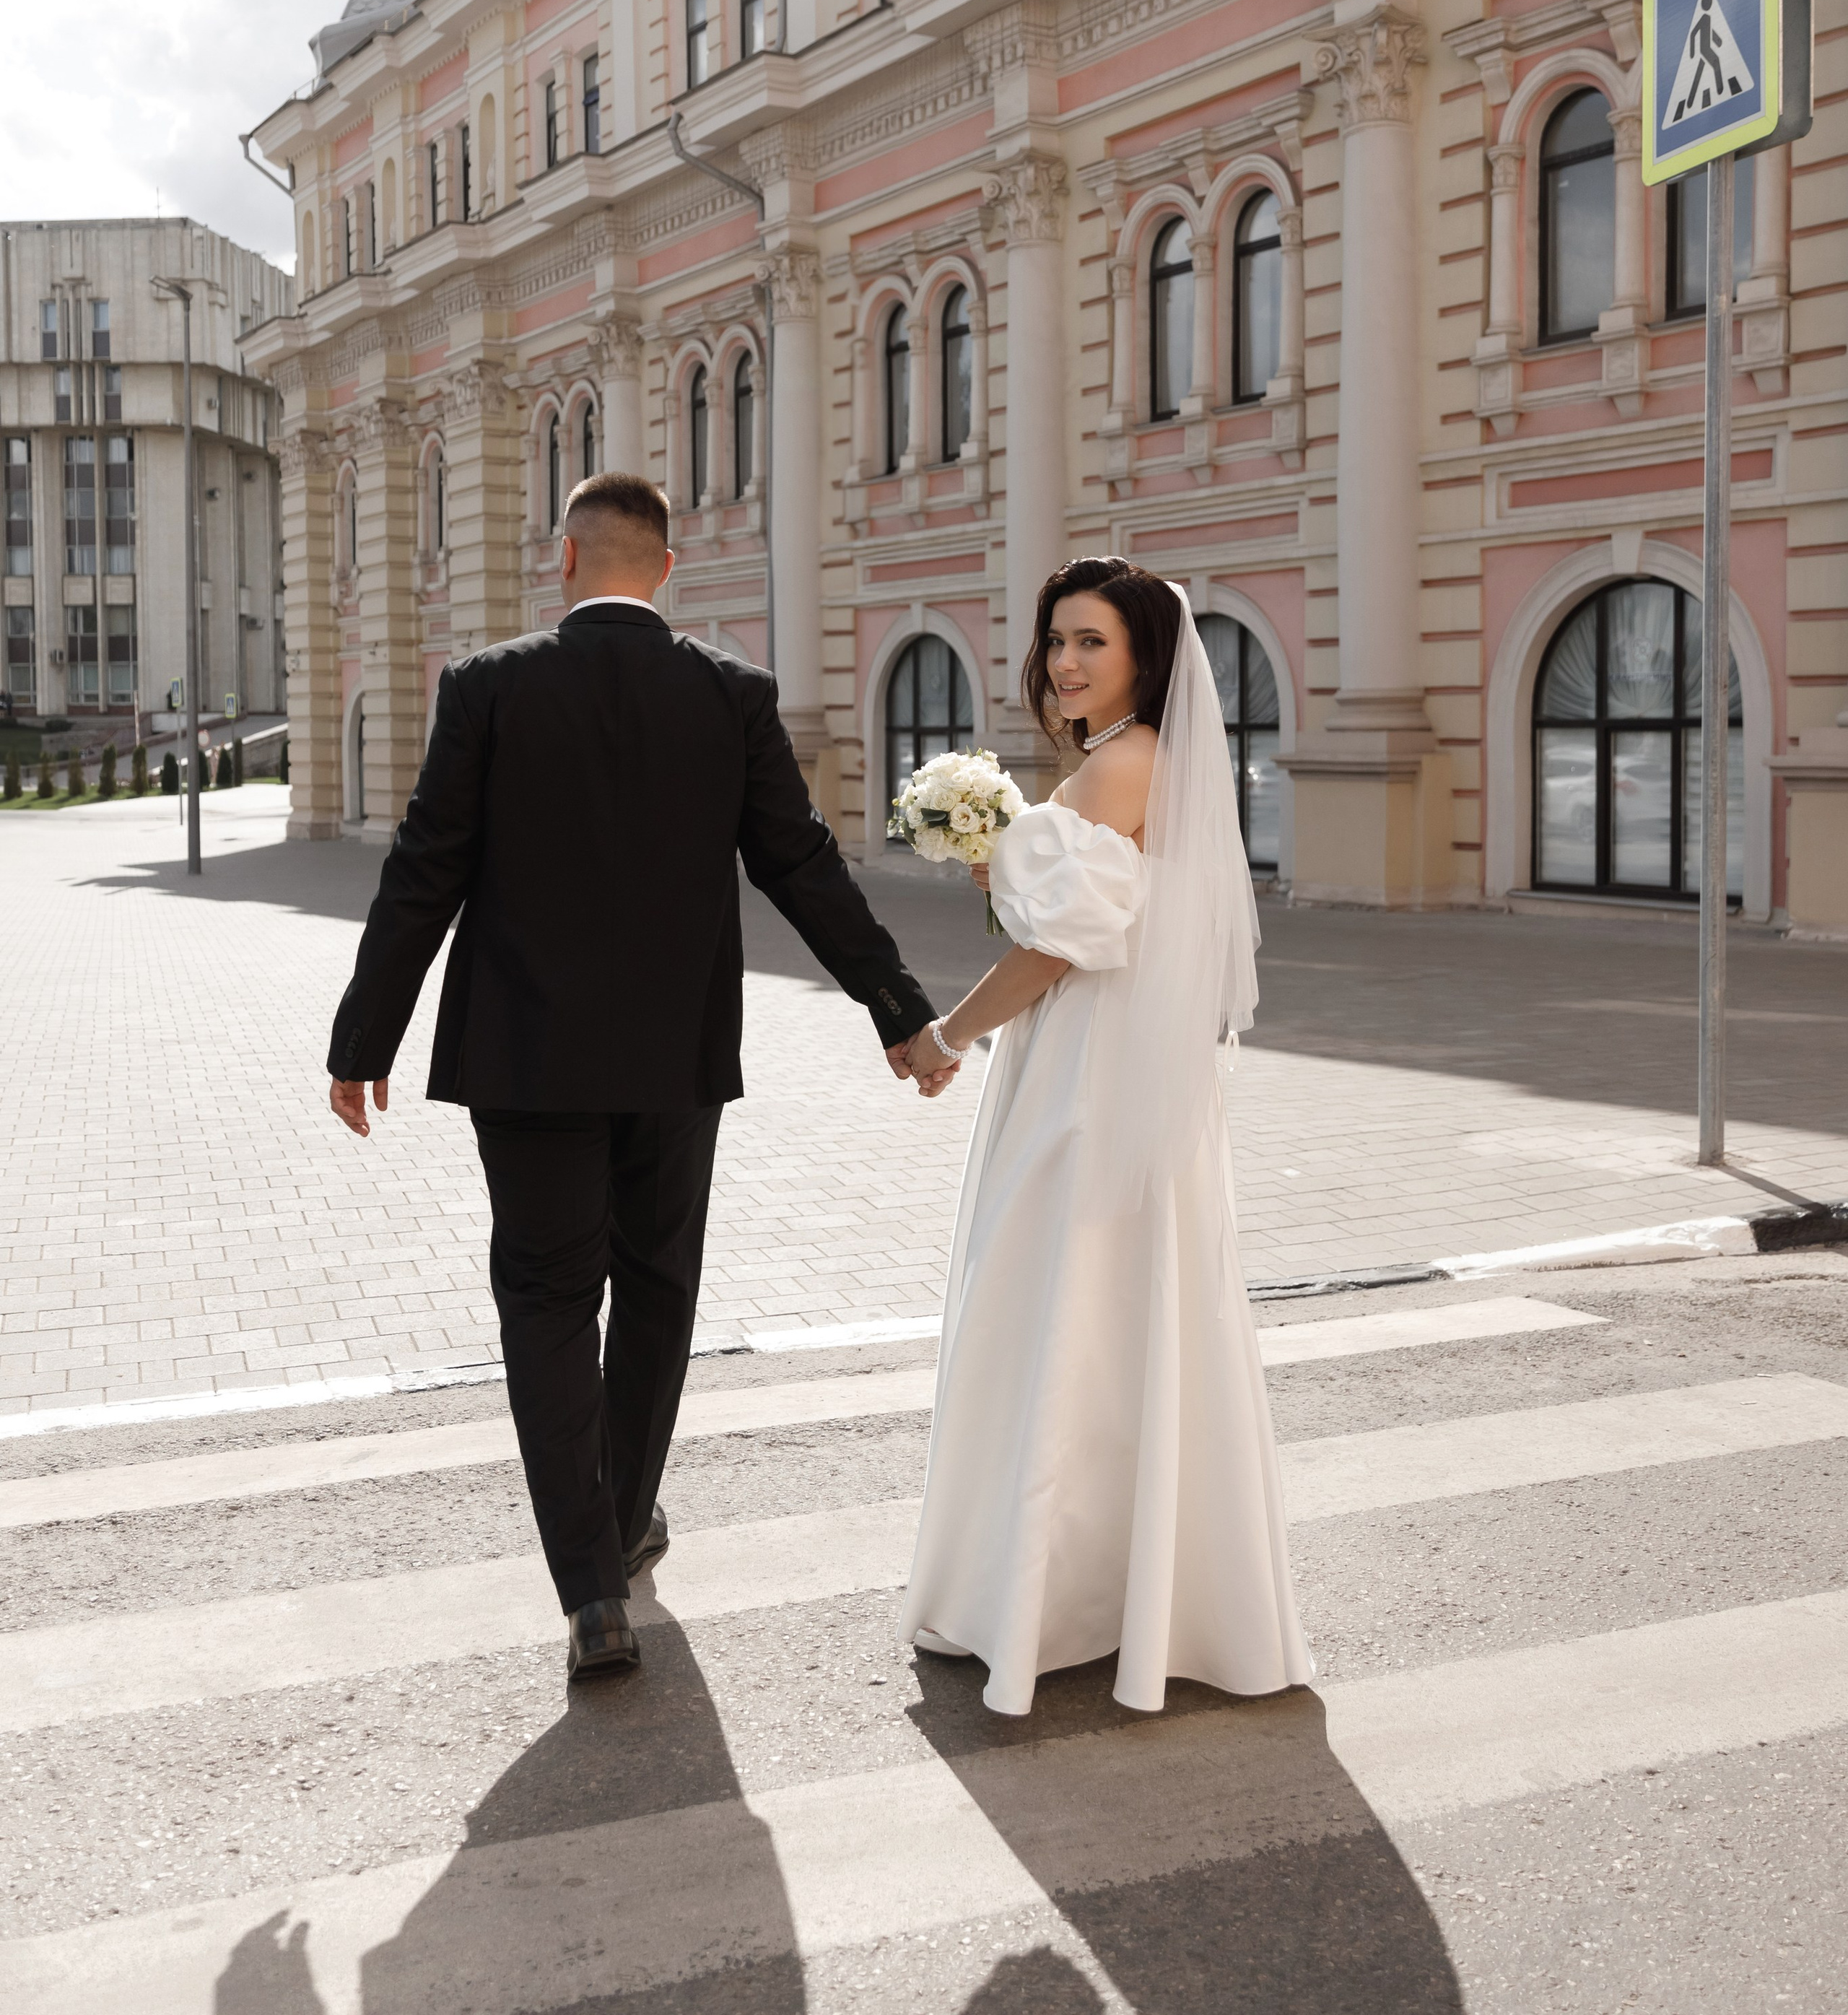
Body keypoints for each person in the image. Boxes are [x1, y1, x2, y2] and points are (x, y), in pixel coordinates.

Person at [326, 471, 947, 1681]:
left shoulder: (487, 687)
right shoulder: (731, 693)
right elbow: (801, 865)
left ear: (563, 560)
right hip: (675, 1060)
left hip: (524, 1061)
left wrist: (365, 1040)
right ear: (668, 570)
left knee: (548, 1302)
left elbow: (424, 869)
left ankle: (592, 1589)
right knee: (658, 1289)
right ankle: (615, 1528)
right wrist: (898, 1009)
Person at [897, 556, 1312, 1717]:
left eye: (1093, 641)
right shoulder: (1132, 759)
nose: (1067, 662)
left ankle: (1048, 1599)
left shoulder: (1125, 763)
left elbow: (1051, 952)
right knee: (1120, 1308)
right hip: (1113, 1060)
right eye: (1057, 640)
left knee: (1056, 1303)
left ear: (1144, 657)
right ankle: (1115, 1593)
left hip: (1088, 1071)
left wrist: (944, 1035)